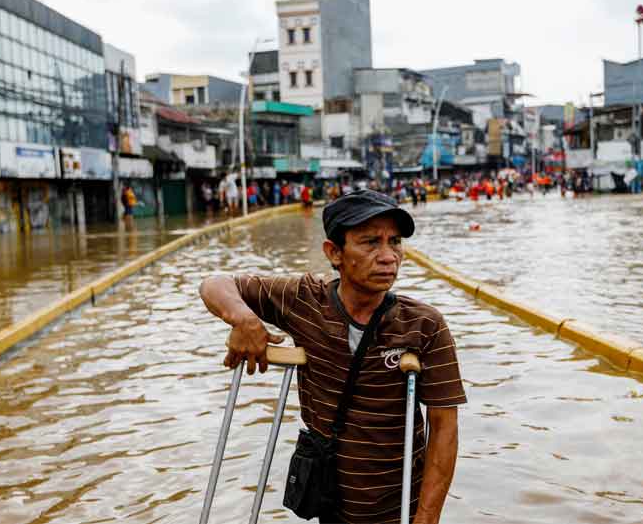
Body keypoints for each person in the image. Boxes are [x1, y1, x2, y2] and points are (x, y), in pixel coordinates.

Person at [199, 190, 465, 524]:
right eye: (371, 243)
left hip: (400, 507)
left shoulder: (424, 325)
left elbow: (444, 428)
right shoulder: (304, 300)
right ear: (334, 253)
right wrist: (243, 319)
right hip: (330, 502)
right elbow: (216, 283)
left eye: (394, 242)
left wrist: (426, 519)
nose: (388, 256)